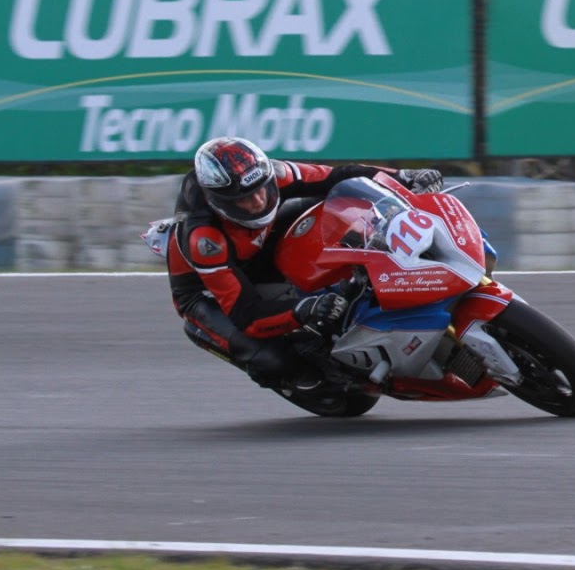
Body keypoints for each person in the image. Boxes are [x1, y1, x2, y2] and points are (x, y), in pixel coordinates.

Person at [164, 136, 445, 394]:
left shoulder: (273, 174)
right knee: (272, 361)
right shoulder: (205, 239)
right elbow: (246, 315)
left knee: (333, 202)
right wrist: (303, 310)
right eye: (245, 198)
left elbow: (337, 176)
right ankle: (300, 376)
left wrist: (403, 176)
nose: (259, 200)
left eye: (261, 189)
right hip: (205, 292)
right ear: (221, 202)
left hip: (257, 244)